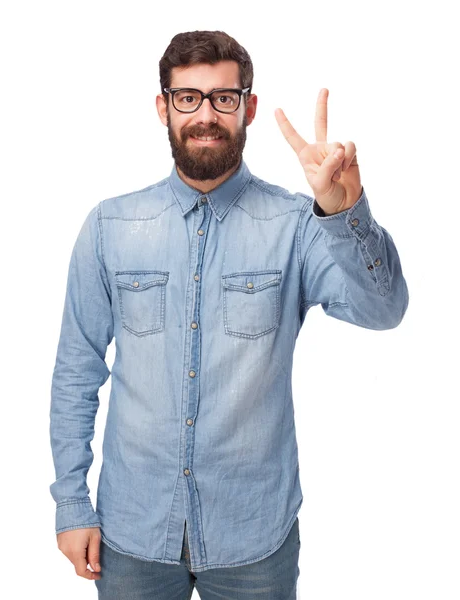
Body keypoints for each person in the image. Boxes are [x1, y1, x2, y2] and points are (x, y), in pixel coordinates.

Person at [49, 29, 409, 600]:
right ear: (163, 107)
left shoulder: (297, 225)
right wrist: (72, 504)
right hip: (132, 533)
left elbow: (383, 309)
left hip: (254, 539)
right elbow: (76, 372)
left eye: (224, 97)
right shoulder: (110, 226)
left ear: (249, 107)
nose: (206, 115)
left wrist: (344, 215)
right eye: (188, 97)